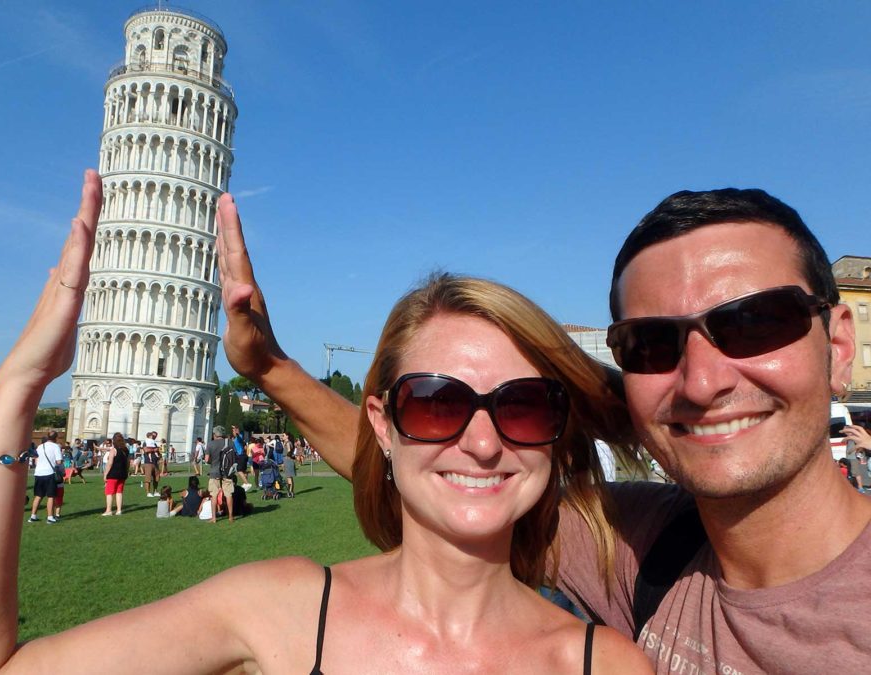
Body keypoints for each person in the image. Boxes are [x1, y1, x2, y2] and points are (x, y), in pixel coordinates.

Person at [0, 177, 647, 674]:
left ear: (555, 429)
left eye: (520, 405)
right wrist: (19, 384)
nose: (482, 441)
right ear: (381, 424)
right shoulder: (282, 606)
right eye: (438, 402)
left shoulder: (610, 664)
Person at [217, 186, 869, 672]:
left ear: (840, 345)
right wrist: (268, 366)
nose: (703, 381)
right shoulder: (642, 548)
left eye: (755, 324)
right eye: (651, 344)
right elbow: (444, 466)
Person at [29, 431, 63, 523]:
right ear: (56, 438)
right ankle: (50, 517)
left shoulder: (40, 446)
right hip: (49, 473)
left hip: (39, 472)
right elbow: (59, 461)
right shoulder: (55, 447)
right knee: (51, 496)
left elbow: (36, 457)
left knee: (38, 495)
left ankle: (33, 516)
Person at [204, 426, 236, 523]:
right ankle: (230, 516)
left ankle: (214, 518)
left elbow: (206, 459)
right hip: (227, 471)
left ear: (214, 434)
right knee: (228, 494)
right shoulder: (230, 442)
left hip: (214, 471)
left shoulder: (210, 444)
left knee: (213, 495)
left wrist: (212, 461)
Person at [102, 433, 130, 516]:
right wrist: (127, 471)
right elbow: (128, 463)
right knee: (119, 492)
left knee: (109, 492)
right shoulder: (126, 450)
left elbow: (109, 463)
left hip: (113, 474)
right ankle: (119, 510)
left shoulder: (113, 450)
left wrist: (105, 474)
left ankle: (109, 510)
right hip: (122, 474)